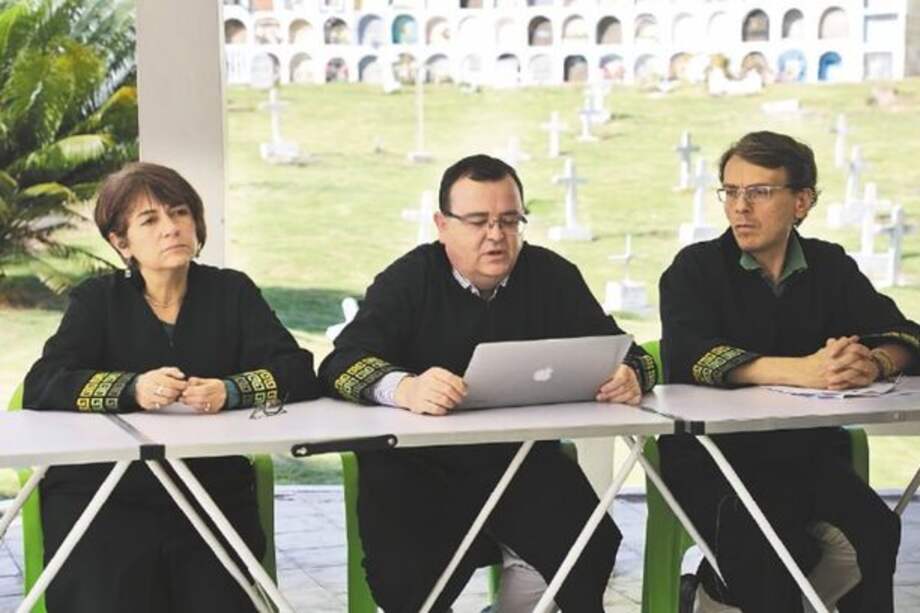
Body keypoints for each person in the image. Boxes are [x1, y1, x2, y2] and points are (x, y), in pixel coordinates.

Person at [319, 154, 658, 612]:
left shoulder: (550, 276)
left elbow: (626, 349)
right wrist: (405, 388)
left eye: (510, 220)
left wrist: (631, 374)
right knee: (408, 578)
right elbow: (341, 363)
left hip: (519, 462)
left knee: (585, 547)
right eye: (478, 221)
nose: (496, 235)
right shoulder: (409, 280)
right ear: (442, 224)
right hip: (417, 472)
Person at [24, 162, 321, 612]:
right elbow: (45, 382)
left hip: (209, 491)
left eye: (180, 213)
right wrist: (133, 389)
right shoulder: (96, 300)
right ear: (120, 242)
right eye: (150, 220)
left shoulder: (232, 292)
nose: (172, 228)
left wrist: (231, 391)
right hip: (105, 497)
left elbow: (297, 371)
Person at [658, 131, 919, 613]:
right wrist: (806, 371)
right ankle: (715, 597)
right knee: (766, 547)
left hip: (805, 453)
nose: (740, 207)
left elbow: (906, 335)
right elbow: (695, 357)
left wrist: (873, 363)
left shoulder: (830, 266)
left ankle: (711, 599)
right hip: (716, 460)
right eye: (730, 192)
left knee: (877, 531)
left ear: (802, 201)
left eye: (758, 192)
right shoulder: (693, 269)